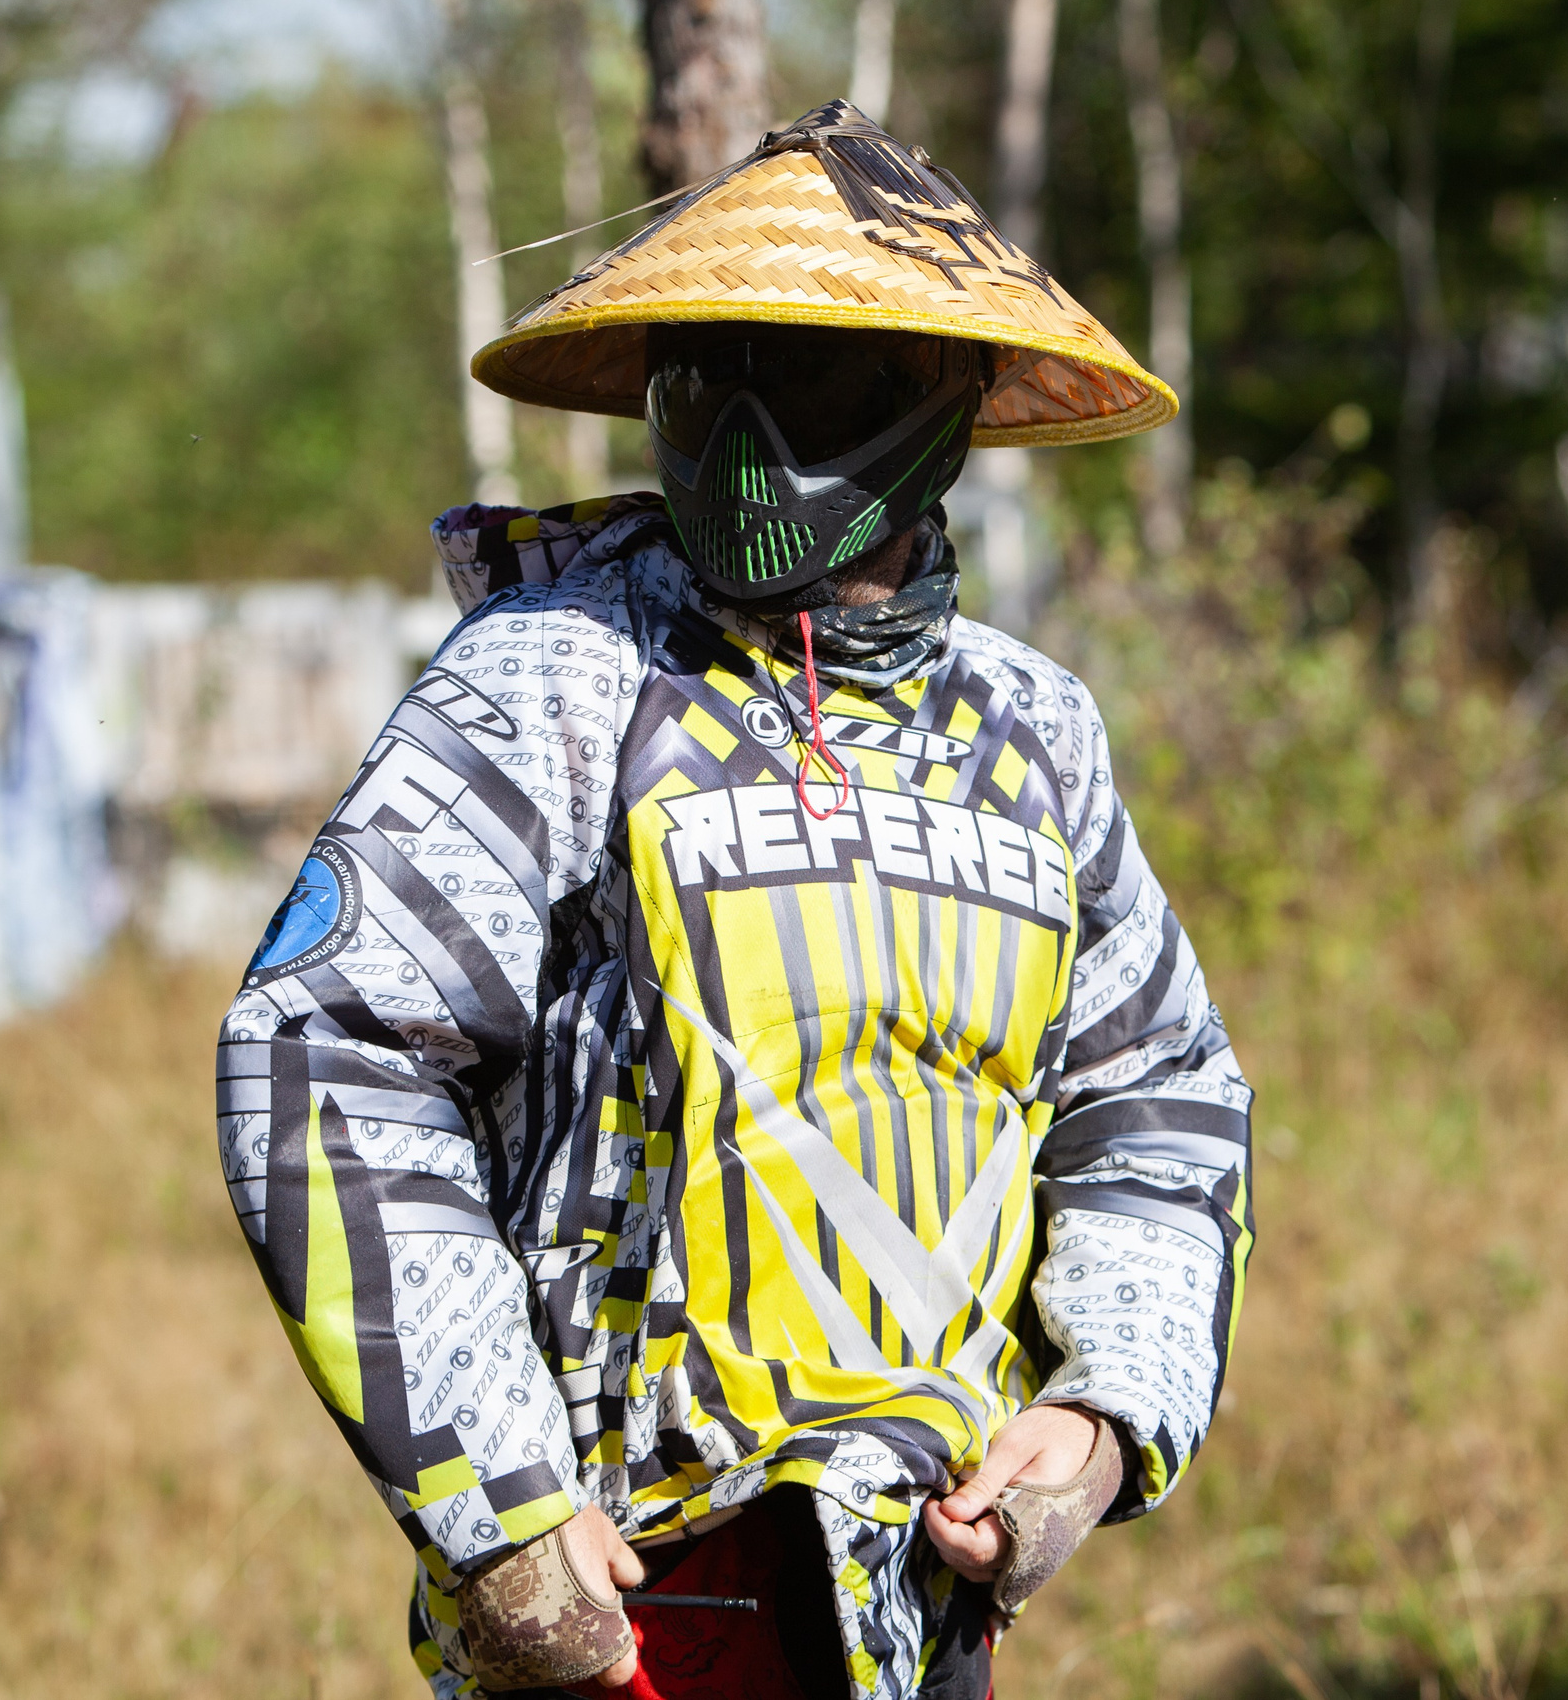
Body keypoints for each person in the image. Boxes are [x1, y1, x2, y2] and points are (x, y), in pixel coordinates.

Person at [215, 100, 1252, 1700]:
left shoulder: (1031, 731)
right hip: (626, 1610)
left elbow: (1158, 1095)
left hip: (916, 1601)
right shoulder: (558, 675)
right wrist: (497, 1513)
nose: (756, 423)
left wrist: (1105, 1418)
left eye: (824, 373)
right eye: (713, 368)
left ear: (948, 403)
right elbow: (329, 1051)